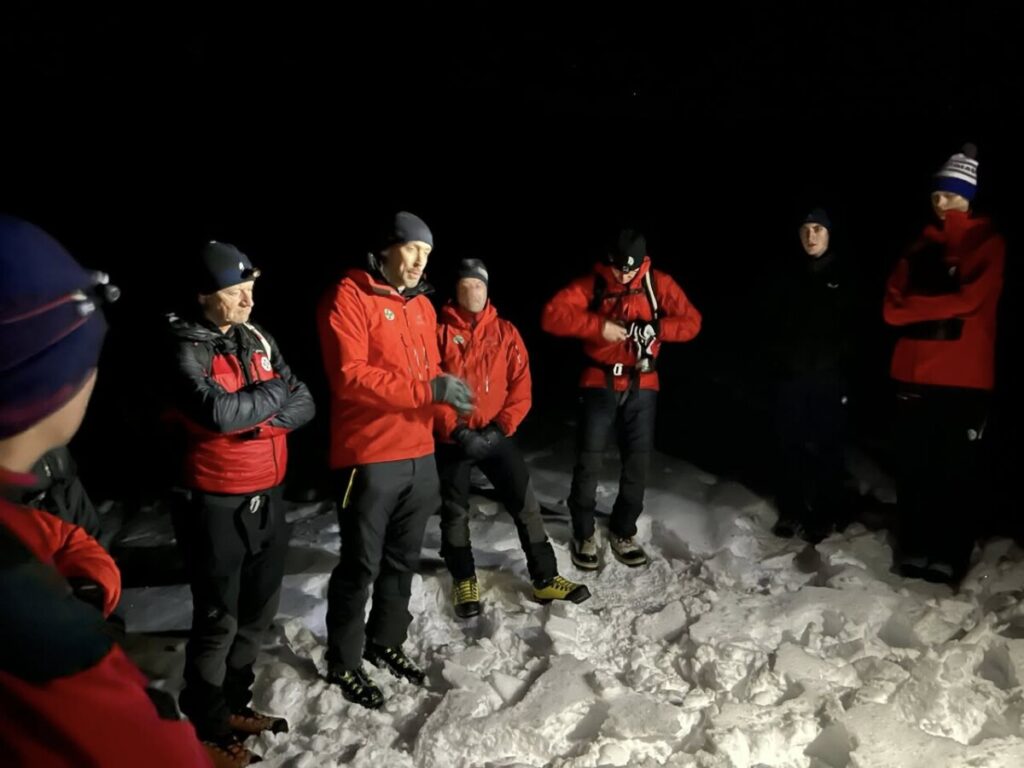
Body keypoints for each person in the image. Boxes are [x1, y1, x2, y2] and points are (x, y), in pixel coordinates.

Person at [0, 213, 212, 767]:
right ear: (49, 379)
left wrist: (91, 585)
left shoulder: (19, 516)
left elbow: (65, 537)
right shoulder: (34, 628)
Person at [165, 240, 314, 764]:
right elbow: (218, 415)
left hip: (267, 494)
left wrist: (255, 421)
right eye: (235, 292)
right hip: (214, 504)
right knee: (218, 620)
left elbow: (306, 401)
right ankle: (205, 725)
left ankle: (232, 704)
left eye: (250, 288)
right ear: (203, 295)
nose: (249, 300)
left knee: (257, 612)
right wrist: (271, 401)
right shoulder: (183, 347)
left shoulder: (257, 337)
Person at [317, 212, 472, 708]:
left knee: (402, 560)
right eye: (412, 249)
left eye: (427, 253)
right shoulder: (348, 296)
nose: (420, 261)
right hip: (369, 455)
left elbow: (432, 374)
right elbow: (351, 376)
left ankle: (385, 640)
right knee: (360, 565)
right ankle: (344, 661)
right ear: (386, 248)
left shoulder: (422, 306)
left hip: (419, 454)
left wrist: (450, 417)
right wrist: (429, 390)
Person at [435, 258, 590, 618]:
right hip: (453, 439)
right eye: (465, 285)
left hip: (496, 435)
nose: (473, 292)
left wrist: (500, 429)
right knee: (454, 512)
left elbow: (521, 388)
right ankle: (463, 578)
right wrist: (456, 429)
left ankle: (545, 577)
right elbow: (431, 388)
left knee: (525, 504)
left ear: (487, 289)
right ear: (455, 291)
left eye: (478, 285)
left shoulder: (505, 332)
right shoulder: (436, 332)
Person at [541, 228, 702, 569]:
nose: (624, 275)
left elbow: (692, 323)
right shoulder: (595, 284)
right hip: (598, 380)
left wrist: (658, 328)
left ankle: (624, 530)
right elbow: (552, 315)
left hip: (643, 382)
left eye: (630, 269)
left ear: (642, 262)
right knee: (589, 460)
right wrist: (597, 327)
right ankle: (584, 532)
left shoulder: (658, 284)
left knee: (637, 463)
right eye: (619, 268)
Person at [883, 143, 1005, 584]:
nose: (941, 203)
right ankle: (915, 547)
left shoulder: (987, 242)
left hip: (963, 378)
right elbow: (891, 310)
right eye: (936, 195)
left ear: (968, 197)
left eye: (950, 195)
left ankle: (949, 553)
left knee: (954, 470)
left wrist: (917, 304)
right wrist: (941, 305)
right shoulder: (918, 245)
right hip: (913, 373)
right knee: (915, 466)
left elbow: (971, 300)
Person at [770, 208, 860, 543]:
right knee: (788, 445)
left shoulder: (844, 275)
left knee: (828, 446)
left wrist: (843, 366)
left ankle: (825, 513)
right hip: (791, 376)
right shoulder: (786, 274)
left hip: (829, 378)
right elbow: (769, 322)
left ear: (830, 233)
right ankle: (792, 510)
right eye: (806, 229)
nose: (811, 236)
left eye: (818, 229)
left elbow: (855, 328)